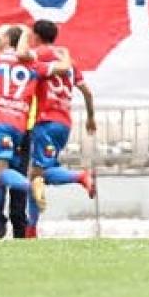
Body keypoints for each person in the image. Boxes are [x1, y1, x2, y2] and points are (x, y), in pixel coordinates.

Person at [0, 24, 70, 239]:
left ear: (7, 40)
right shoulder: (34, 64)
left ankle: (28, 189)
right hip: (23, 126)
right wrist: (66, 55)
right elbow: (63, 69)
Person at [23, 19, 95, 238]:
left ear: (36, 36)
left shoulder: (39, 54)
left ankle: (80, 176)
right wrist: (91, 118)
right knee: (38, 174)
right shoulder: (67, 60)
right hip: (64, 123)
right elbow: (87, 91)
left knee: (38, 174)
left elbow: (22, 57)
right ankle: (31, 229)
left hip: (46, 121)